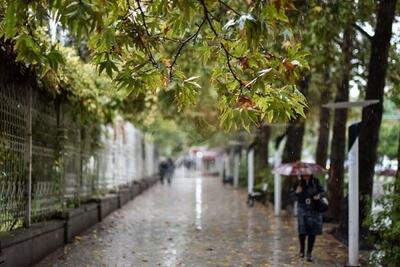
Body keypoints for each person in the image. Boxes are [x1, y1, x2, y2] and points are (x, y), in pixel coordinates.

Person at [291, 174, 324, 262]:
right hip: (302, 208)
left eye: (308, 174)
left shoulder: (315, 181)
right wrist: (296, 193)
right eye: (304, 174)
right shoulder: (298, 183)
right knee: (302, 229)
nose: (306, 176)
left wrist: (318, 196)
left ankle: (309, 252)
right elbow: (291, 195)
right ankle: (302, 250)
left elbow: (322, 191)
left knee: (312, 231)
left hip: (313, 208)